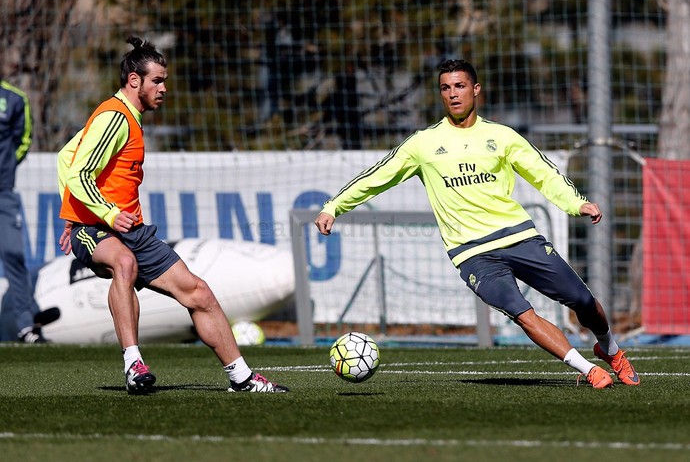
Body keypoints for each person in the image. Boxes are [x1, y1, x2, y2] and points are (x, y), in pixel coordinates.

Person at [314, 59, 639, 389]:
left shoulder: (501, 136)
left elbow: (544, 174)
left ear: (475, 89)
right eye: (445, 88)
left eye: (459, 86)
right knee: (521, 312)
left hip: (519, 237)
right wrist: (334, 207)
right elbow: (375, 178)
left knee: (583, 302)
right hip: (472, 253)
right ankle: (588, 370)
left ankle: (610, 351)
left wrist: (576, 203)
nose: (453, 94)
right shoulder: (422, 144)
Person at [57, 36, 288, 394]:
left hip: (131, 228)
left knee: (200, 294)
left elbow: (64, 156)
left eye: (164, 81)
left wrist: (101, 213)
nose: (163, 88)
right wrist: (90, 215)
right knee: (124, 264)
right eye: (157, 81)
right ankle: (134, 365)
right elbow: (78, 172)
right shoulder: (114, 118)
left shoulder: (127, 119)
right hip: (95, 229)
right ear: (134, 80)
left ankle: (242, 377)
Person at [0, 76, 60, 343]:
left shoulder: (14, 98)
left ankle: (25, 326)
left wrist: (7, 168)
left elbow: (22, 138)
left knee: (13, 253)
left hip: (3, 193)